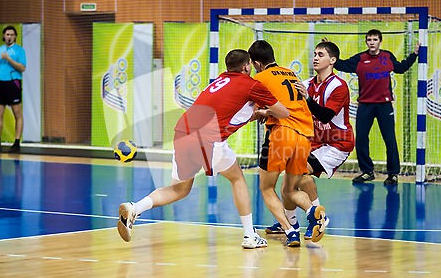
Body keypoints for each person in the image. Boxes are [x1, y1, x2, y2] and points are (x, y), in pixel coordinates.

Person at [117, 49, 289, 249]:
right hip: (208, 139)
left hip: (182, 133)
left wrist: (256, 113)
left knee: (179, 189)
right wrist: (267, 111)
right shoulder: (251, 84)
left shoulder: (219, 82)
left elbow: (230, 113)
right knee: (237, 179)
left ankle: (134, 208)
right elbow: (283, 113)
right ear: (246, 66)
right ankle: (250, 236)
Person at [265, 41, 354, 242]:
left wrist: (307, 100)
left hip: (336, 143)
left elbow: (325, 116)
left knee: (300, 173)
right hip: (315, 141)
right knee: (291, 177)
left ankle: (317, 216)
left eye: (321, 54)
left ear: (332, 60)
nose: (315, 57)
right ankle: (292, 222)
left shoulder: (338, 86)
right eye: (314, 54)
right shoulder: (305, 84)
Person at [249, 40, 325, 247]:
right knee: (290, 190)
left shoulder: (260, 78)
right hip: (305, 135)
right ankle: (313, 212)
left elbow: (254, 112)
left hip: (282, 133)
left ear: (256, 63)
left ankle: (290, 231)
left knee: (266, 188)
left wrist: (261, 113)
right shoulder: (290, 73)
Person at [334, 29, 420, 185]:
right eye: (369, 40)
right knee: (360, 139)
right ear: (366, 42)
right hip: (365, 105)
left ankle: (393, 174)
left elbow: (401, 68)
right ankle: (367, 172)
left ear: (380, 41)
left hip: (384, 106)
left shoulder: (387, 57)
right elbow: (341, 64)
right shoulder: (360, 59)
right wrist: (328, 50)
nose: (372, 42)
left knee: (389, 140)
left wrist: (414, 54)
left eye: (375, 39)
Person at [0, 25, 27, 153]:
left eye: (12, 35)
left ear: (15, 37)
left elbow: (22, 68)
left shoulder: (20, 51)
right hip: (0, 84)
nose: (9, 37)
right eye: (7, 34)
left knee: (17, 114)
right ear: (4, 36)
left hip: (13, 83)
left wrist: (9, 59)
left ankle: (17, 142)